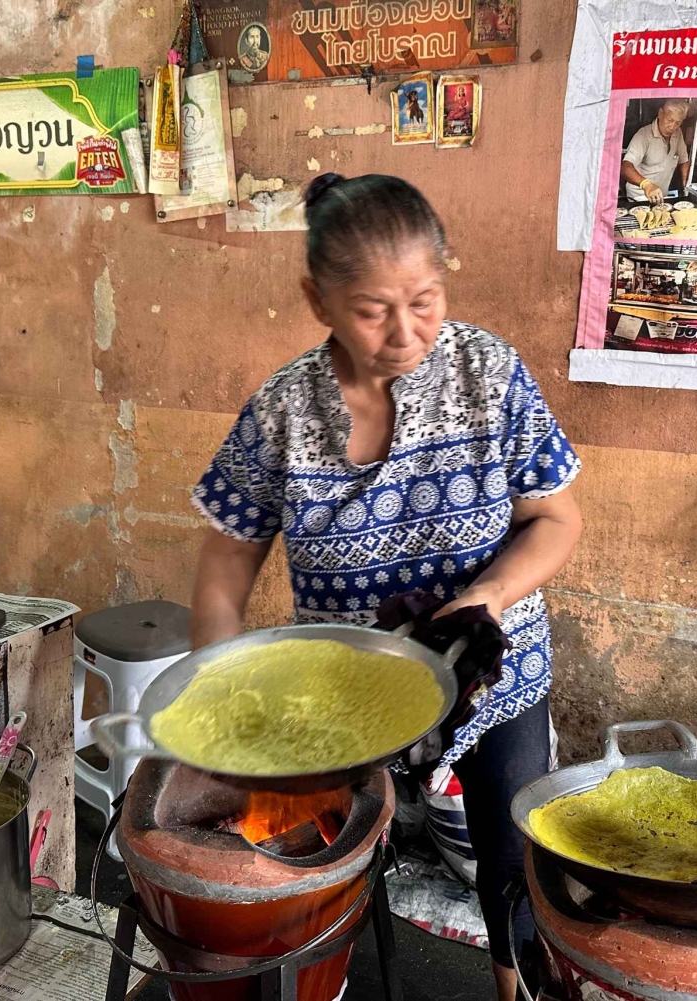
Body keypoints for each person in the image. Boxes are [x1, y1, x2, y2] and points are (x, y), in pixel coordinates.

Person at [189, 173, 583, 1001]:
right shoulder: (283, 411)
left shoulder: (489, 374)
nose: (406, 333)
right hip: (347, 688)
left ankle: (517, 992)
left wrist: (488, 594)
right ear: (318, 299)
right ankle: (322, 979)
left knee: (513, 865)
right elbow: (225, 567)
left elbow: (556, 519)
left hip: (494, 673)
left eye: (425, 301)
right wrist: (221, 691)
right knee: (323, 856)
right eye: (373, 311)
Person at [621, 98, 691, 203]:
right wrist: (646, 185)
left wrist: (686, 185)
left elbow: (684, 160)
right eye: (669, 120)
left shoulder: (678, 133)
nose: (672, 127)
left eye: (678, 123)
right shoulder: (643, 135)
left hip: (662, 196)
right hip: (640, 197)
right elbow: (626, 166)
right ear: (660, 113)